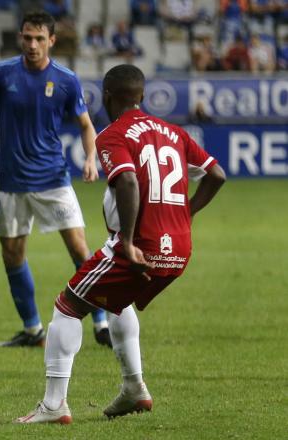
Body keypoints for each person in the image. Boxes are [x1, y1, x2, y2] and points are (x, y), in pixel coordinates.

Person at [16, 64, 226, 424]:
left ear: (107, 96)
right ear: (143, 96)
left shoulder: (113, 134)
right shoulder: (174, 132)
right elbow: (217, 174)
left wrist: (127, 242)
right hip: (179, 249)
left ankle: (53, 406)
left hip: (139, 246)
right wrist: (186, 214)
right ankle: (134, 389)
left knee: (68, 306)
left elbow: (126, 182)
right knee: (117, 302)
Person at [0, 10, 111, 348]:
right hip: (12, 181)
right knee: (12, 254)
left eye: (38, 39)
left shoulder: (65, 79)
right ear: (20, 38)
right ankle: (33, 330)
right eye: (26, 38)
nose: (32, 45)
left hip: (53, 178)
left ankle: (102, 322)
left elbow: (86, 126)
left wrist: (91, 158)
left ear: (51, 40)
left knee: (80, 249)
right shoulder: (1, 73)